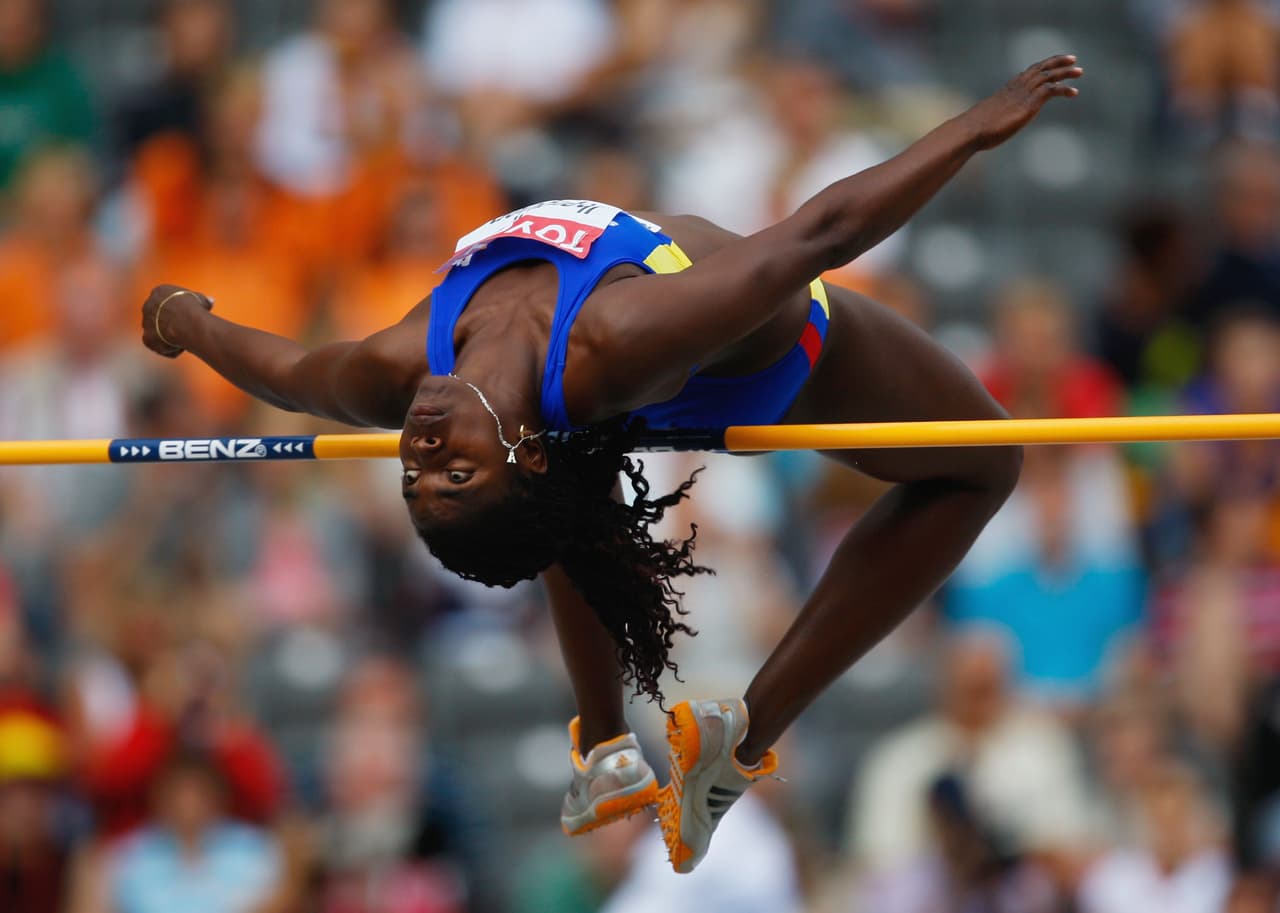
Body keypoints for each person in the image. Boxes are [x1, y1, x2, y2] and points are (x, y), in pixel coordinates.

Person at [139, 56, 1083, 873]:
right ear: (516, 448)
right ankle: (745, 736)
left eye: (416, 476)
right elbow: (817, 237)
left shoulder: (397, 370)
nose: (423, 455)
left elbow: (288, 373)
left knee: (569, 469)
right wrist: (970, 129)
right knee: (986, 461)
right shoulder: (614, 342)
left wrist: (186, 320)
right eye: (456, 474)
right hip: (776, 363)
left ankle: (605, 747)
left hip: (600, 400)